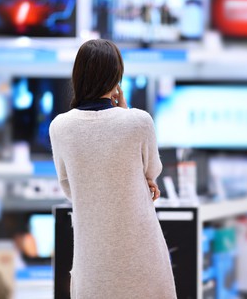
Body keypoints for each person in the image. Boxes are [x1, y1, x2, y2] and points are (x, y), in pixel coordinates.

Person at [49, 39, 177, 299]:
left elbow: (68, 186)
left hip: (93, 262)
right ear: (116, 77)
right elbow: (153, 170)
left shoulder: (60, 127)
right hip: (142, 257)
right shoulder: (139, 121)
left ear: (78, 76)